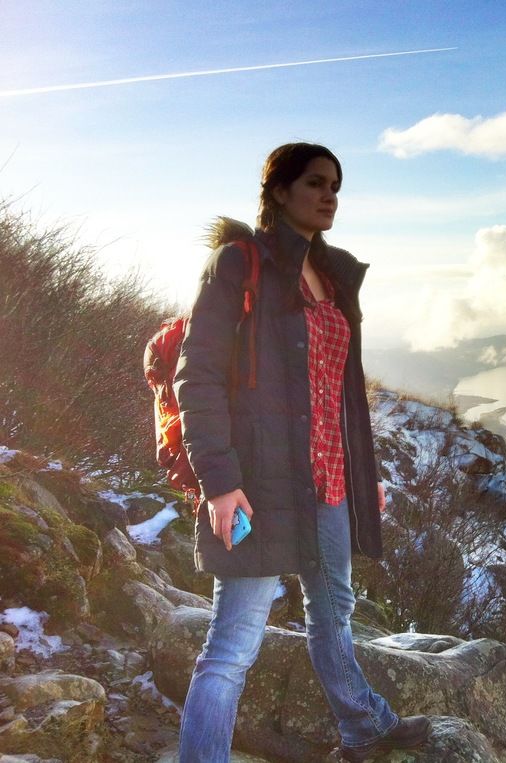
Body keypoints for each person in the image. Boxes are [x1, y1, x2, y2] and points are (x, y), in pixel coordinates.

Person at [174, 142, 431, 762]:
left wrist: (363, 474)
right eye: (315, 182)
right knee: (233, 645)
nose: (329, 195)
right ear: (279, 191)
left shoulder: (335, 275)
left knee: (334, 613)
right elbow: (198, 375)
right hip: (258, 483)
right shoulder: (239, 264)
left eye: (336, 185)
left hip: (331, 482)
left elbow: (343, 394)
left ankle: (362, 725)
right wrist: (218, 480)